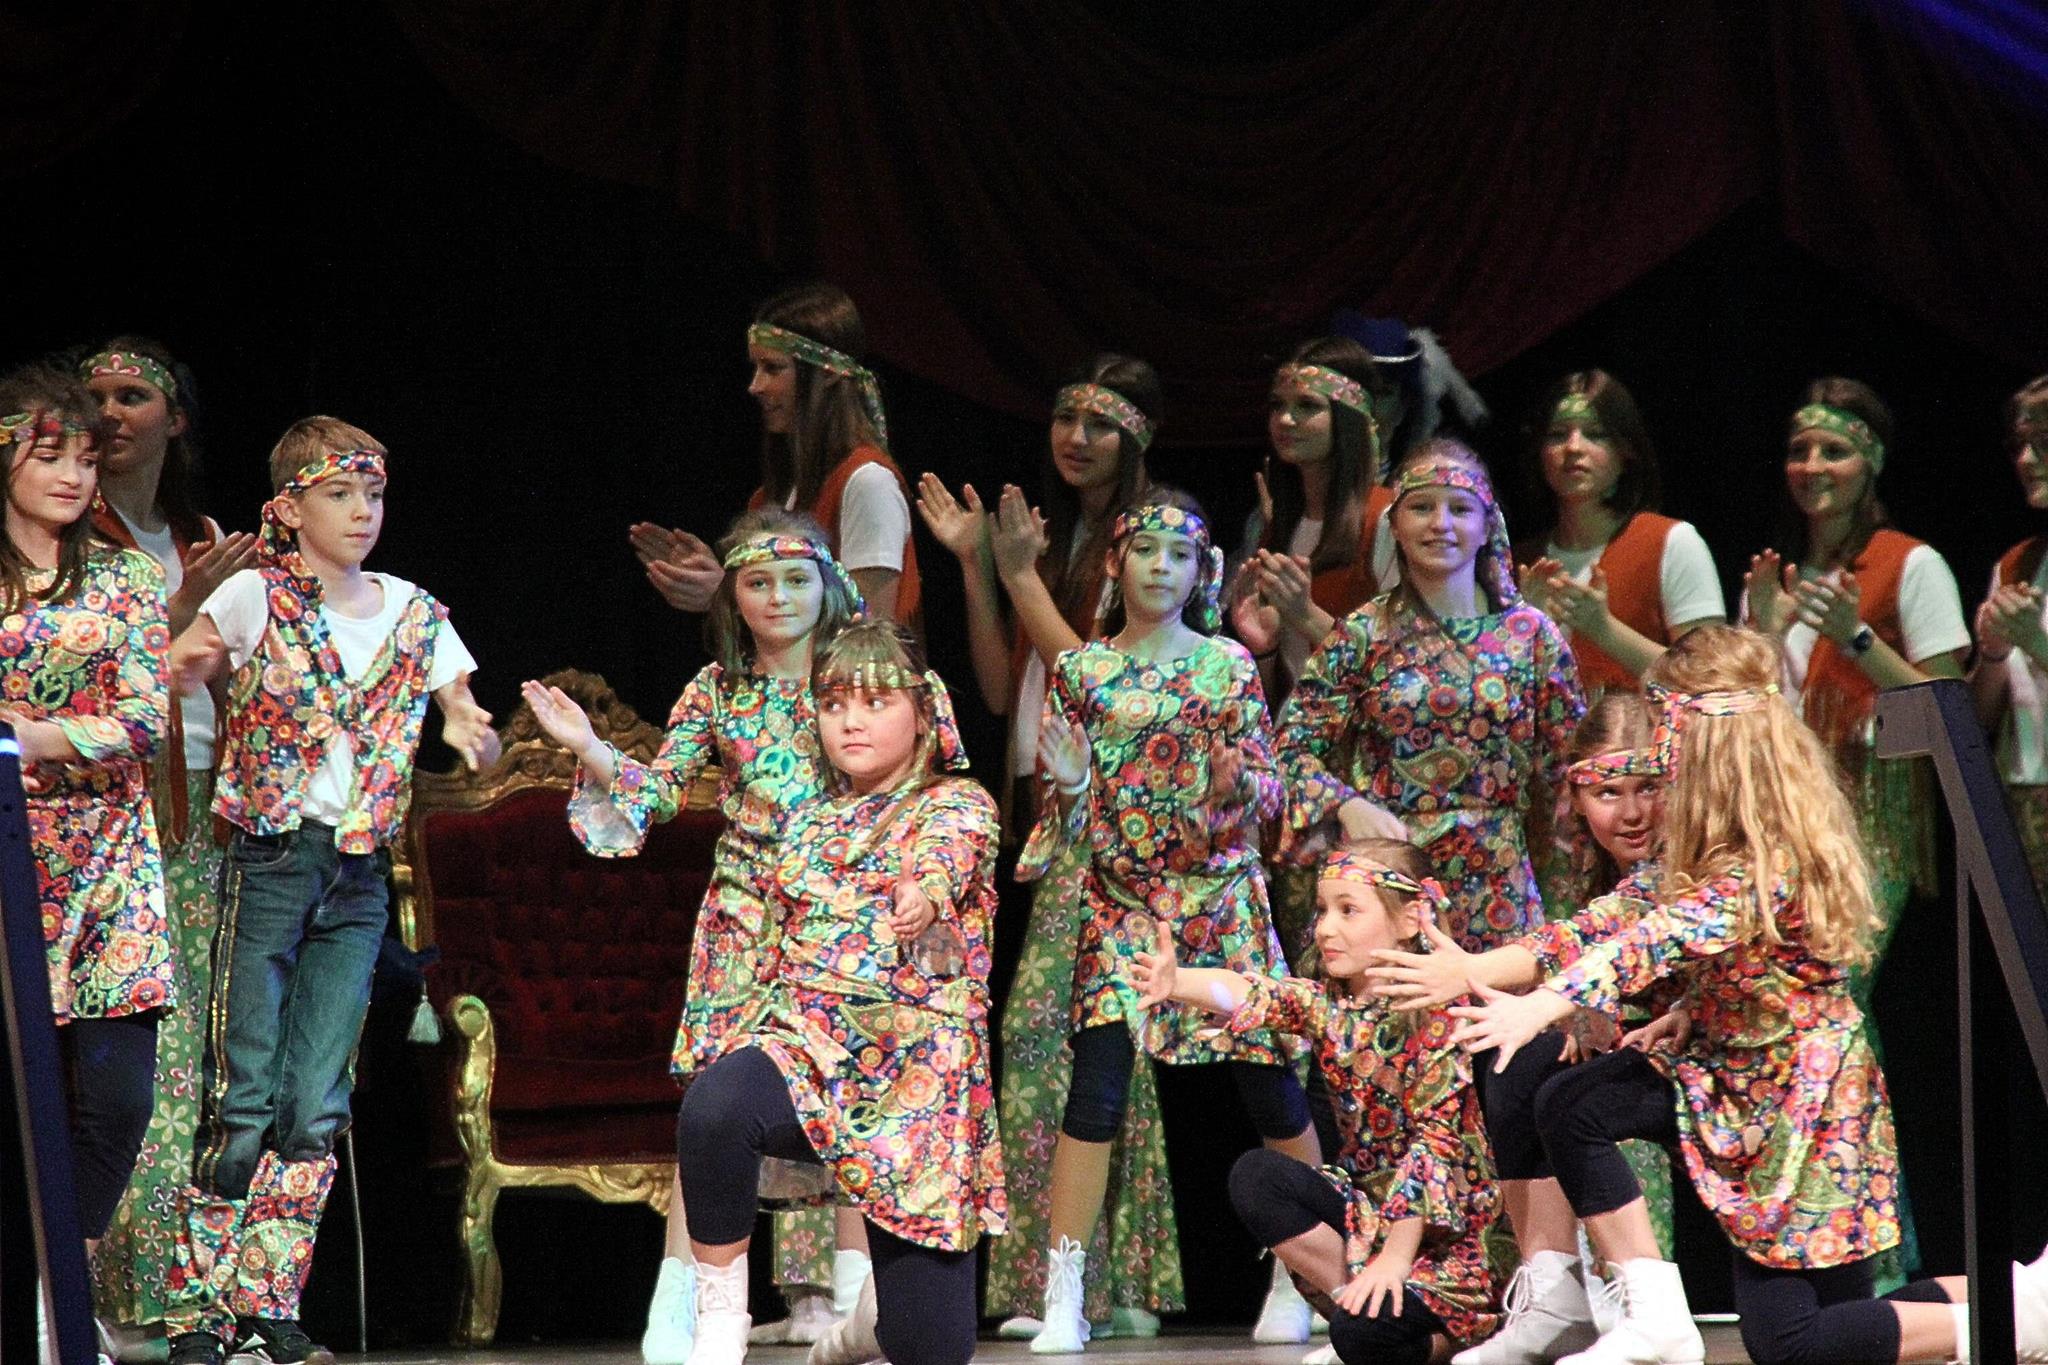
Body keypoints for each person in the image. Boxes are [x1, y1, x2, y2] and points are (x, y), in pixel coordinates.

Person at [1448, 625, 2048, 1365]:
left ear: (1704, 746)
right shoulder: (1717, 845)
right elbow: (1618, 917)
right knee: (1579, 1102)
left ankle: (2019, 1317)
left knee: (1797, 1340)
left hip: (1801, 1105)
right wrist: (1481, 968)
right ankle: (1656, 1319)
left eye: (1666, 740)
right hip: (1734, 1082)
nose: (1659, 763)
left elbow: (1662, 934)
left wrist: (1544, 1002)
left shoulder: (1768, 855)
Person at [161, 417, 498, 1365]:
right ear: (290, 506)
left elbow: (463, 706)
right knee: (243, 1089)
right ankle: (201, 1314)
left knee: (315, 1100)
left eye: (373, 495)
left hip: (357, 876)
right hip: (273, 857)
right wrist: (181, 652)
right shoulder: (254, 595)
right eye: (340, 494)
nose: (362, 512)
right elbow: (182, 662)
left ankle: (269, 1304)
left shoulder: (413, 610)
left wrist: (471, 732)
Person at [524, 511, 864, 1361]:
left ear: (827, 585)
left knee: (856, 1102)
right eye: (759, 582)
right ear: (732, 595)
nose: (779, 597)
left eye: (796, 579)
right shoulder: (717, 690)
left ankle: (864, 1302)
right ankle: (687, 1304)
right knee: (714, 1111)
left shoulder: (863, 680)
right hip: (745, 922)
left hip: (847, 915)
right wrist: (591, 746)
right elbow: (659, 793)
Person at [914, 356, 1182, 1340]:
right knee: (1081, 1045)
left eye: (1100, 424)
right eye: (1065, 417)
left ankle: (1082, 1284)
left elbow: (1098, 681)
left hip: (1109, 814)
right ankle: (1102, 1285)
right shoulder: (1054, 534)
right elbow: (1000, 690)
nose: (1075, 437)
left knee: (1067, 1042)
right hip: (1044, 811)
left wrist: (1019, 573)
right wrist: (976, 567)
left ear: (1137, 438)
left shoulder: (1143, 542)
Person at [1019, 491, 1319, 1355]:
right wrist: (1074, 785)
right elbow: (1061, 820)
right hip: (1121, 901)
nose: (1161, 566)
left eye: (1178, 554)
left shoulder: (1228, 665)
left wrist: (1235, 785)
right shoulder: (1083, 670)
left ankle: (1305, 1270)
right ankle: (1065, 1292)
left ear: (1202, 571)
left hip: (1219, 899)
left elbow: (1270, 790)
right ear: (1115, 562)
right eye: (1145, 549)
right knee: (1096, 1089)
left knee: (1268, 1081)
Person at [671, 621, 1002, 1365]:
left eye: (876, 701)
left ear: (922, 710)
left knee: (930, 1347)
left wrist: (924, 893)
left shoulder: (957, 804)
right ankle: (718, 1323)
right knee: (717, 1106)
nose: (851, 720)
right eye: (833, 703)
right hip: (812, 1047)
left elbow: (944, 855)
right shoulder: (807, 823)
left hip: (915, 1079)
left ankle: (860, 1329)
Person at [1368, 693, 1684, 1363]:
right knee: (1519, 1062)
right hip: (1652, 1051)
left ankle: (1649, 1305)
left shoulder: (1684, 862)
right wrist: (1581, 1011)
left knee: (1799, 1335)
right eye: (1609, 791)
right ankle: (1556, 1295)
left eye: (1648, 788)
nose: (1631, 812)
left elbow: (1595, 936)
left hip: (1724, 1068)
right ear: (1579, 795)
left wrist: (1475, 969)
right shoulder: (1591, 865)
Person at [1133, 840, 1501, 1365]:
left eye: (1348, 910)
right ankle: (1361, 1302)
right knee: (1257, 1176)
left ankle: (1458, 1334)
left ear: (1408, 920)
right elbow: (1253, 992)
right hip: (1371, 1217)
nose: (1326, 928)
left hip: (1448, 1233)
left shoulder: (1440, 1013)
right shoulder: (1330, 1005)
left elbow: (1435, 1147)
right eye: (1323, 910)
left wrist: (1397, 1261)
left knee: (1364, 1340)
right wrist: (1178, 982)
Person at [76, 338, 260, 1347]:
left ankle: (200, 1293)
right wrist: (179, 614)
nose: (111, 413)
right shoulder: (73, 536)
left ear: (175, 418)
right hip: (110, 815)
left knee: (207, 1056)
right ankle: (115, 1291)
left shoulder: (200, 535)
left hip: (205, 813)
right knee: (141, 1057)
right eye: (97, 397)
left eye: (132, 395)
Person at [0, 367, 173, 1348]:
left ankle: (59, 1283)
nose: (72, 475)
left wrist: (39, 737)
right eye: (48, 454)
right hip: (9, 862)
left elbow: (146, 716)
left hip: (109, 865)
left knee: (117, 1098)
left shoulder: (124, 577)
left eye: (85, 457)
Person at [1276, 439, 1586, 949]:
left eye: (1460, 509)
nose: (1440, 524)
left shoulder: (1532, 637)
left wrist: (1564, 908)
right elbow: (1290, 749)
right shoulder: (1362, 634)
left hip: (1498, 882)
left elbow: (1567, 778)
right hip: (1390, 881)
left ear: (1487, 527)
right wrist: (1346, 805)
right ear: (1395, 525)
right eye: (1422, 508)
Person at [632, 283, 919, 625]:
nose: (755, 386)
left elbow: (871, 632)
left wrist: (729, 596)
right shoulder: (770, 498)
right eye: (756, 368)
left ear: (827, 374)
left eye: (772, 368)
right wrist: (726, 585)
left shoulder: (867, 483)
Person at [1514, 370, 1725, 695]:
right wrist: (1524, 634)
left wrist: (1603, 629)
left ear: (1625, 452)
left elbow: (1714, 682)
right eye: (1557, 435)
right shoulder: (1519, 563)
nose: (1573, 447)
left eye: (1595, 434)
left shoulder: (1673, 542)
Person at [1232, 336, 1395, 701]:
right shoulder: (1278, 526)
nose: (1285, 420)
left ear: (1348, 418)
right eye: (1278, 405)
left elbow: (1401, 670)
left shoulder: (1385, 519)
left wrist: (1305, 615)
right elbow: (1282, 688)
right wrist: (1264, 651)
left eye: (1307, 405)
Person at [1971, 374, 2048, 893]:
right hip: (2022, 798)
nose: (2025, 460)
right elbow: (1981, 715)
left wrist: (2036, 643)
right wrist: (1995, 653)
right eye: (2020, 444)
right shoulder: (2018, 564)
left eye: (2043, 443)